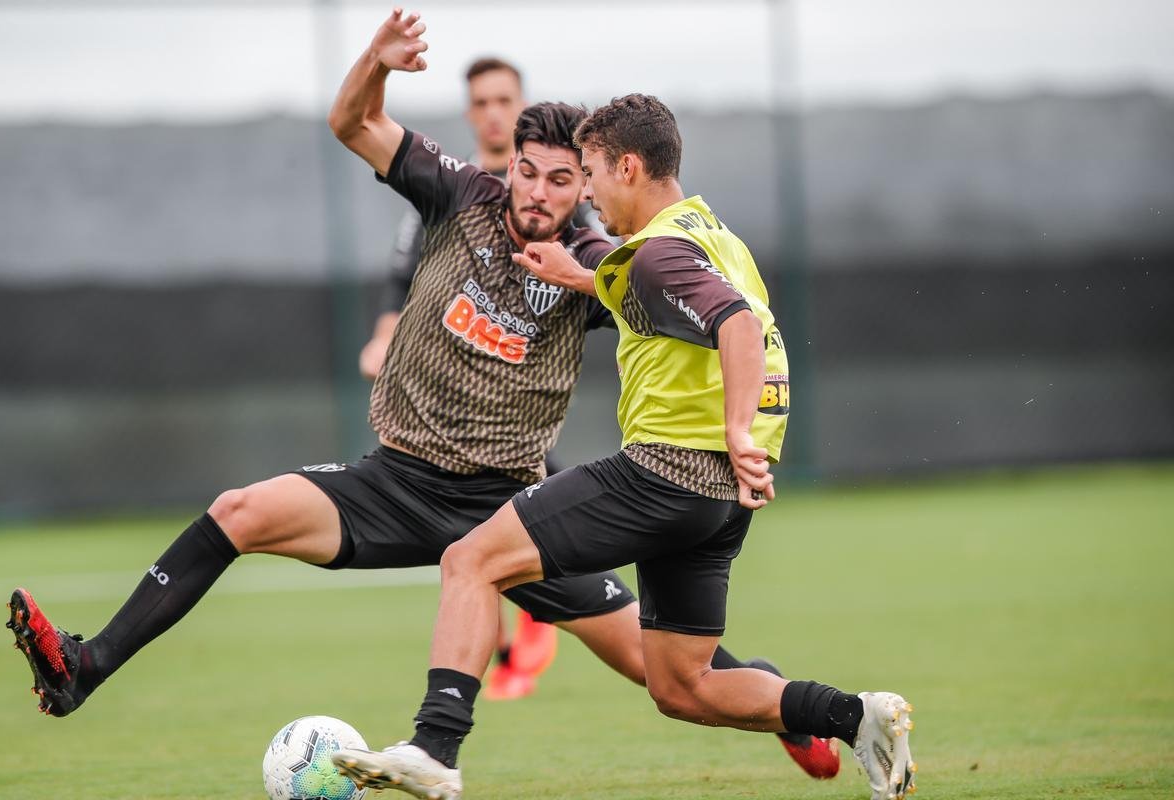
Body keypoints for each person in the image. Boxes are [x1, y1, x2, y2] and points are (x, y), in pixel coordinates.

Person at [4, 8, 838, 783]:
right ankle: (83, 667)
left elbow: (692, 313)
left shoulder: (601, 261)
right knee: (239, 511)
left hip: (507, 505)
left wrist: (621, 310)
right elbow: (352, 123)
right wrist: (375, 61)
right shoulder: (459, 195)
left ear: (584, 186)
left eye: (561, 180)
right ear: (507, 168)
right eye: (529, 173)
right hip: (394, 483)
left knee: (659, 667)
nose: (540, 193)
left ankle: (782, 703)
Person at [331, 92, 916, 800]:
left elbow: (732, 324)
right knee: (681, 685)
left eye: (592, 173)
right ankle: (856, 718)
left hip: (667, 472)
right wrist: (582, 276)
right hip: (719, 498)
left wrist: (735, 431)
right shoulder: (706, 233)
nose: (588, 195)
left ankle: (434, 748)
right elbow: (678, 301)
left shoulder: (656, 253)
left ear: (628, 166)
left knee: (471, 559)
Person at [358, 54, 560, 703]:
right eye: (482, 102)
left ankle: (538, 621)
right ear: (470, 111)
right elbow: (402, 271)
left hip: (518, 399)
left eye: (505, 99)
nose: (494, 112)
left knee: (523, 525)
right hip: (451, 394)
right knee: (479, 538)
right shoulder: (452, 186)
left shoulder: (554, 194)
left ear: (522, 105)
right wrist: (384, 336)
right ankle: (510, 647)